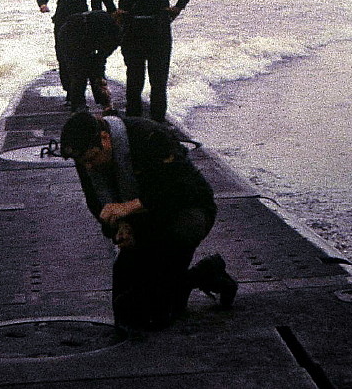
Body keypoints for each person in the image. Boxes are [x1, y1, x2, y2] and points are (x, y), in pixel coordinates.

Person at [60, 111, 237, 331]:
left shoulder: (150, 137)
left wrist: (129, 207)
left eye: (91, 158)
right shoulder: (86, 156)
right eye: (83, 162)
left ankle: (203, 274)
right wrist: (120, 227)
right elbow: (98, 204)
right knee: (127, 311)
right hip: (144, 220)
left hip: (187, 211)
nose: (89, 167)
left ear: (105, 138)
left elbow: (180, 191)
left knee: (157, 313)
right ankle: (194, 278)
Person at [97, 0, 195, 122]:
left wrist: (113, 10)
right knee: (159, 79)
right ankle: (159, 123)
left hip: (131, 24)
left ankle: (134, 121)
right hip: (158, 24)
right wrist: (178, 7)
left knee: (134, 76)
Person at [37, 0, 102, 101]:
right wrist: (43, 4)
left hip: (82, 14)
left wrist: (97, 17)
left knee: (85, 53)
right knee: (63, 53)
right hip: (63, 15)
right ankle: (68, 90)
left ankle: (81, 91)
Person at [57, 10, 120, 114]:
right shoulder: (108, 27)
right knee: (79, 73)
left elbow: (101, 57)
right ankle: (78, 106)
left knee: (95, 70)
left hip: (83, 35)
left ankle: (105, 104)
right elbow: (99, 55)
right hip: (70, 35)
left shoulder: (112, 30)